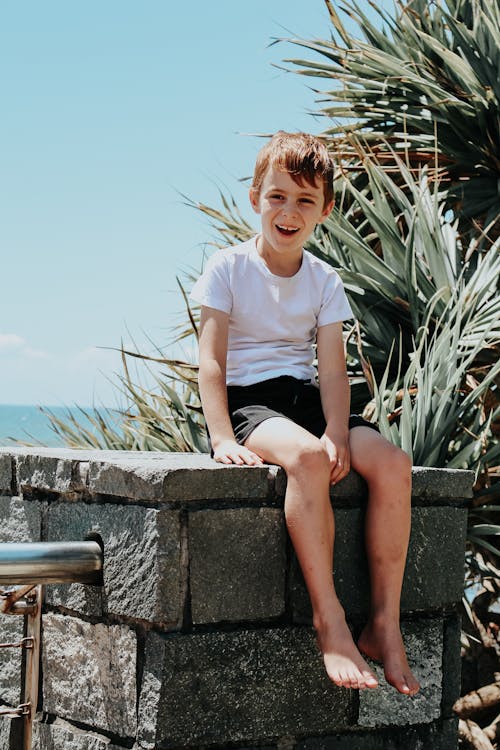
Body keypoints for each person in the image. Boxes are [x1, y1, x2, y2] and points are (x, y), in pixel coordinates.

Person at [190, 131, 420, 695]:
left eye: (304, 200)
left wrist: (339, 430)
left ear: (325, 210)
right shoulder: (228, 267)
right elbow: (212, 364)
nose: (288, 211)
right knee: (309, 459)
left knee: (393, 464)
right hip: (250, 402)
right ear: (254, 198)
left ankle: (383, 625)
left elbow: (334, 372)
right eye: (277, 196)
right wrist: (221, 436)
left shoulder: (324, 279)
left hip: (306, 400)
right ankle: (331, 621)